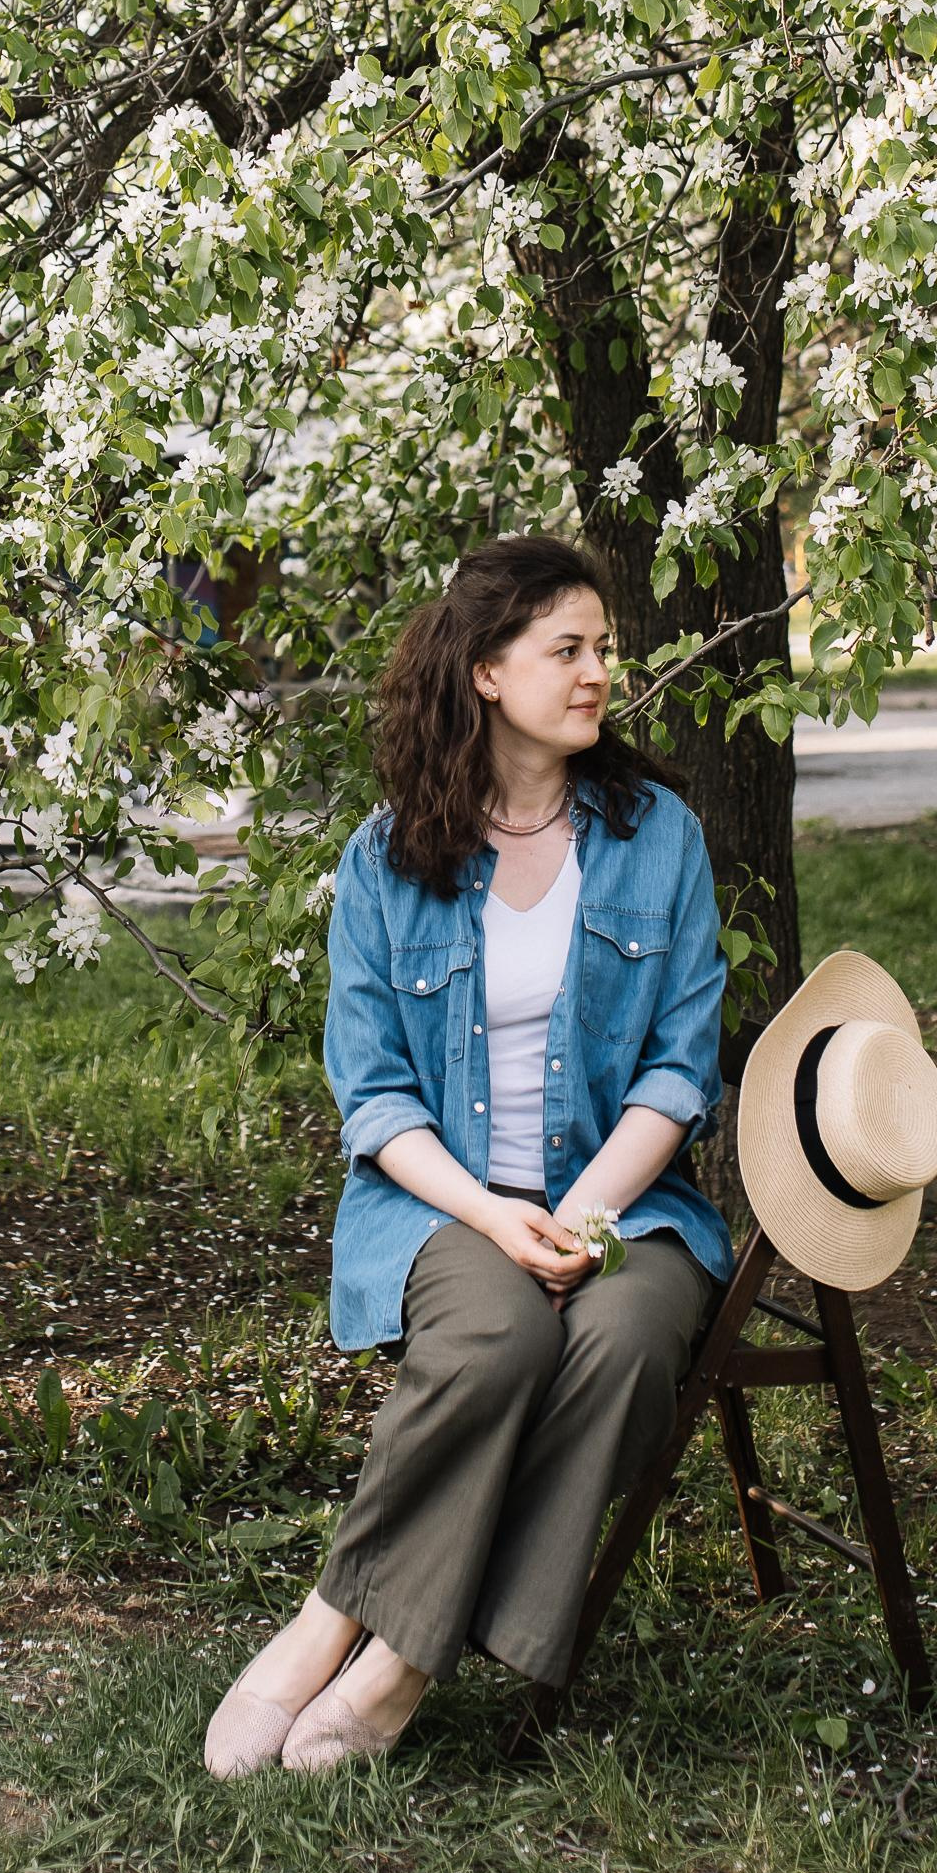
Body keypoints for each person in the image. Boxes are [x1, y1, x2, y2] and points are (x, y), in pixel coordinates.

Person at [204, 532, 732, 1776]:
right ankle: (326, 1615)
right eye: (568, 648)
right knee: (497, 1331)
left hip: (630, 1206)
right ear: (487, 671)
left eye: (604, 647)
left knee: (618, 1340)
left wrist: (587, 1216)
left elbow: (678, 1067)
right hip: (445, 1210)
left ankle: (393, 1664)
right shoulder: (386, 863)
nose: (598, 671)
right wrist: (502, 1224)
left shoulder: (662, 838)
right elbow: (376, 1100)